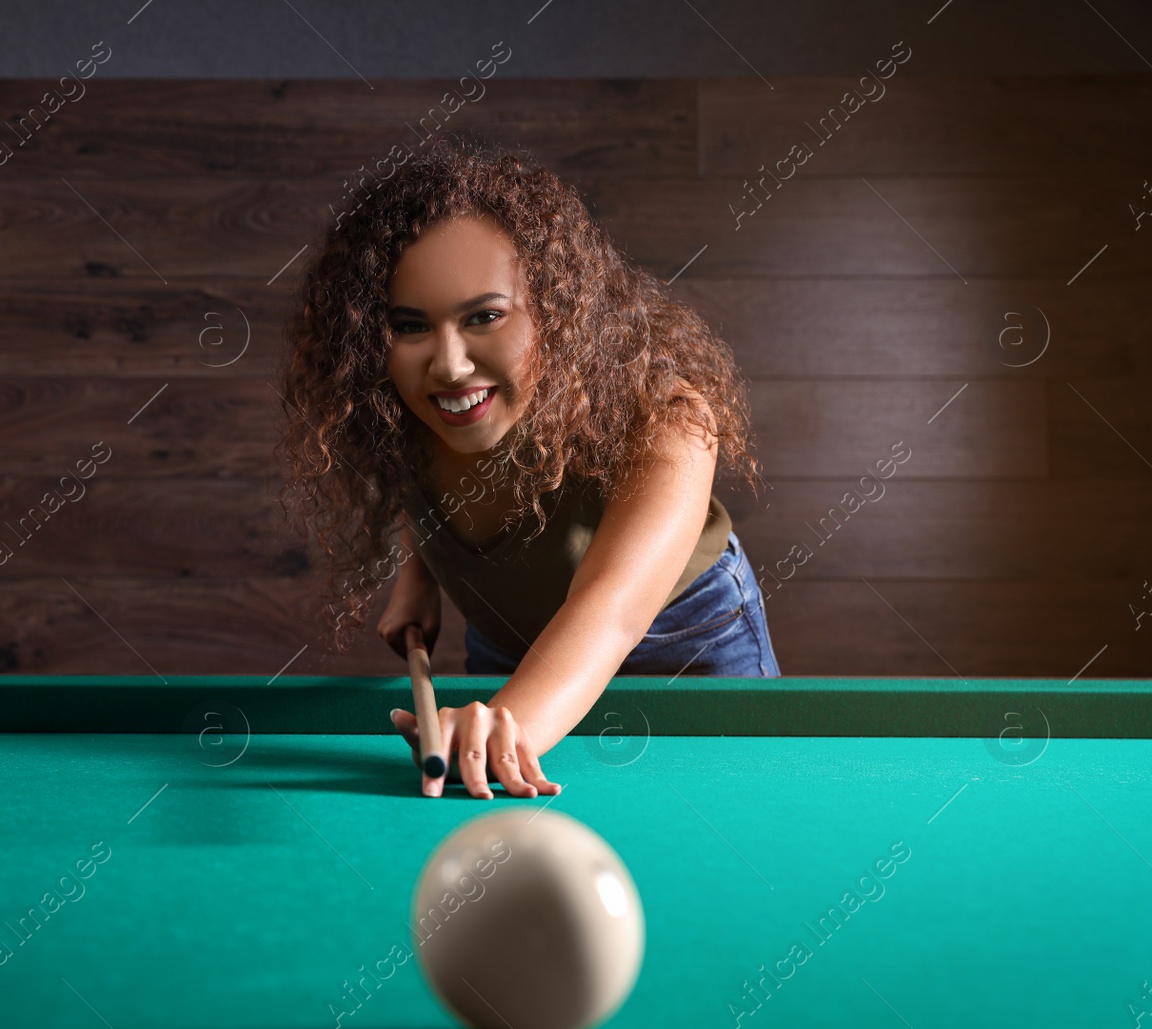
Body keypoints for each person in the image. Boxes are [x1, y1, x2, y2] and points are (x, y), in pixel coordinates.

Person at [276, 136, 779, 800]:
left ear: (559, 310)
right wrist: (417, 580)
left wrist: (506, 721)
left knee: (725, 828)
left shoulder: (671, 418)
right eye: (410, 325)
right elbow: (419, 484)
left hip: (685, 644)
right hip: (510, 642)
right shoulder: (401, 408)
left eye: (484, 315)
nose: (449, 364)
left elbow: (612, 611)